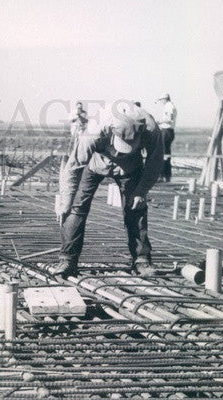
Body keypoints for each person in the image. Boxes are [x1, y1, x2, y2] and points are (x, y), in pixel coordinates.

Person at [53, 101, 164, 278]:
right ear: (111, 132)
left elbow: (155, 163)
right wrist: (65, 202)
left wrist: (141, 191)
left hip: (131, 167)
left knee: (136, 208)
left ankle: (142, 260)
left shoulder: (151, 129)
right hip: (96, 163)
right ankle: (67, 259)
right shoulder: (94, 131)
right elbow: (73, 166)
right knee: (76, 207)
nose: (120, 153)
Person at [155, 93, 177, 181]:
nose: (161, 102)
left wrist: (158, 122)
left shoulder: (168, 107)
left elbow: (169, 119)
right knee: (166, 154)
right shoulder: (171, 106)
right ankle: (166, 175)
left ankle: (163, 175)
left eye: (161, 100)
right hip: (169, 131)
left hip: (166, 131)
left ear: (164, 99)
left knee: (162, 153)